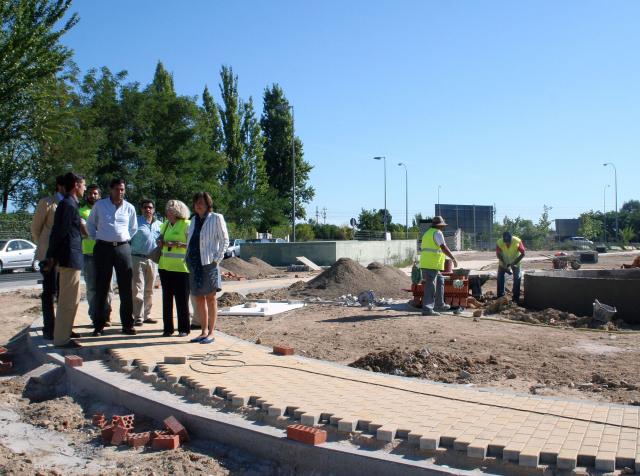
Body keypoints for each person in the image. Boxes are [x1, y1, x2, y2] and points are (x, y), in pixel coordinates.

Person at [87, 178, 138, 336]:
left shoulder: (129, 208)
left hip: (122, 248)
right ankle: (99, 324)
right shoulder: (100, 205)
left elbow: (133, 228)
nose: (120, 192)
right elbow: (90, 224)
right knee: (101, 287)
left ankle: (127, 324)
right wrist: (98, 237)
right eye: (117, 189)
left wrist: (123, 238)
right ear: (111, 189)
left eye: (122, 189)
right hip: (103, 248)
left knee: (126, 288)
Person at [45, 172, 86, 348]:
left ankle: (64, 334)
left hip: (73, 258)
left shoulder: (70, 205)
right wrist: (50, 256)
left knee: (73, 299)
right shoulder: (68, 205)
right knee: (67, 301)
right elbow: (59, 233)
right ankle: (61, 339)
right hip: (69, 258)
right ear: (76, 185)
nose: (85, 188)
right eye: (83, 185)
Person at [187, 192, 229, 343]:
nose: (199, 205)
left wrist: (216, 260)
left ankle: (211, 332)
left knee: (210, 298)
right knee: (198, 298)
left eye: (202, 202)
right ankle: (203, 331)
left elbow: (225, 240)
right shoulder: (193, 220)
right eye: (196, 202)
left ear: (208, 204)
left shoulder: (216, 218)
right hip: (194, 264)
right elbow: (190, 240)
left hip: (209, 263)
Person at [31, 175, 65, 340]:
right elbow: (36, 228)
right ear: (59, 186)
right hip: (49, 255)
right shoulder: (47, 202)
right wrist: (45, 247)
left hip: (64, 255)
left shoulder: (70, 202)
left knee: (63, 293)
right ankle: (49, 327)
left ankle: (62, 327)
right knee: (49, 291)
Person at [79, 184, 112, 326]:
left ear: (100, 195)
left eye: (95, 193)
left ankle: (106, 315)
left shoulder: (106, 210)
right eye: (90, 193)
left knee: (108, 286)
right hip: (89, 253)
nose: (93, 196)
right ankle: (94, 316)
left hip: (106, 252)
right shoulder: (80, 211)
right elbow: (83, 230)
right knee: (92, 287)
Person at [158, 200, 191, 337]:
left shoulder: (187, 224)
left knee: (182, 300)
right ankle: (167, 329)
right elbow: (160, 240)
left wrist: (177, 244)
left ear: (178, 211)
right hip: (165, 267)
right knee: (167, 299)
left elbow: (190, 244)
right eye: (167, 209)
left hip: (182, 268)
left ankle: (183, 328)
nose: (168, 211)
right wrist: (161, 242)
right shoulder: (165, 225)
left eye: (171, 209)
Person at [130, 199, 161, 326]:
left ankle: (147, 315)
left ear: (153, 210)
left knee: (149, 289)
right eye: (145, 207)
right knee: (138, 287)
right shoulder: (135, 222)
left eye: (150, 207)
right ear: (141, 209)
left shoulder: (159, 224)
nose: (148, 209)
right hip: (137, 258)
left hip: (153, 260)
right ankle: (138, 316)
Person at [420, 216, 458, 316]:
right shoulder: (437, 233)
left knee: (440, 280)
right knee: (430, 286)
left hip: (429, 263)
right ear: (439, 226)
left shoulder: (427, 233)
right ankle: (427, 309)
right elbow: (443, 247)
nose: (443, 228)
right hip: (431, 264)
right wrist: (453, 258)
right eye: (442, 226)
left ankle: (439, 304)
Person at [496, 231, 526, 303]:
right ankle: (500, 296)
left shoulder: (517, 241)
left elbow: (523, 253)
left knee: (517, 278)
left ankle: (515, 298)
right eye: (505, 242)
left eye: (508, 242)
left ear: (511, 239)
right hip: (503, 261)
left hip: (515, 262)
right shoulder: (499, 242)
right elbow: (498, 254)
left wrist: (514, 263)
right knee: (500, 277)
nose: (507, 243)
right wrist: (504, 264)